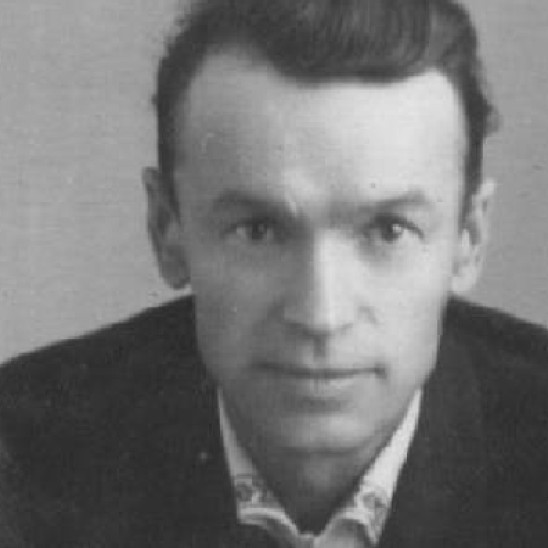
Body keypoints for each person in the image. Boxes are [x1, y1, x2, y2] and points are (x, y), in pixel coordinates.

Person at [1, 0, 548, 546]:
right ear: (167, 229)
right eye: (258, 230)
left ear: (469, 238)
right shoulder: (19, 455)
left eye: (388, 231)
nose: (321, 316)